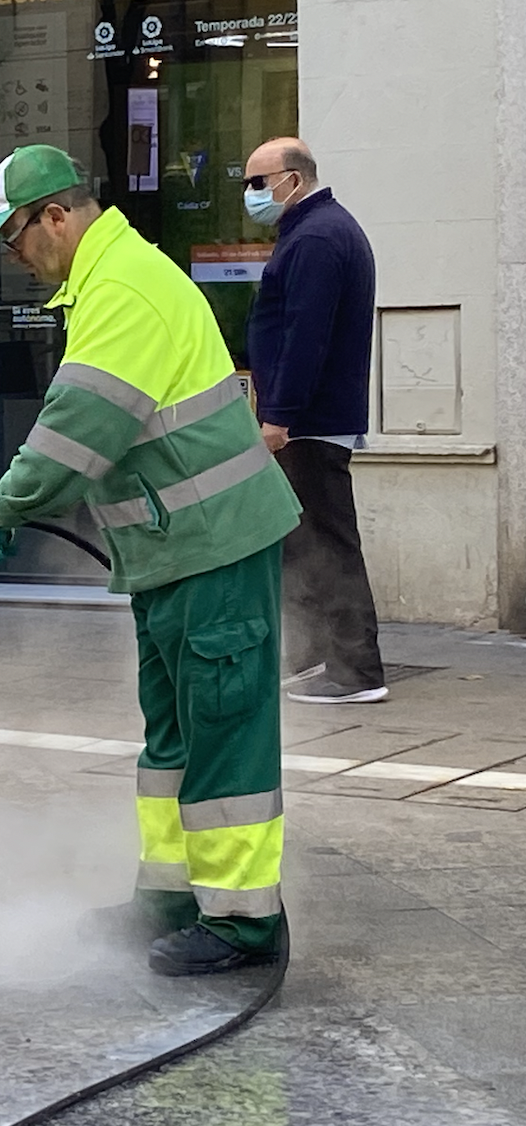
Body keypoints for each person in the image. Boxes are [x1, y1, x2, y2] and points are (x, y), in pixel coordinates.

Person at [0, 145, 301, 976]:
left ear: (55, 216)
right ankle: (171, 896)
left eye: (14, 238)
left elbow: (79, 425)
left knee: (223, 734)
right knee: (174, 736)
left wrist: (3, 506)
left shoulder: (122, 288)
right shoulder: (106, 281)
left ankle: (243, 925)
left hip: (214, 545)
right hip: (170, 551)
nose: (14, 257)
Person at [243, 138, 388, 705]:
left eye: (259, 184)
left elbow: (306, 335)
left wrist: (279, 416)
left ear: (293, 180)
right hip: (311, 417)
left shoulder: (318, 237)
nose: (251, 196)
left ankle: (356, 673)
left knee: (327, 544)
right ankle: (309, 657)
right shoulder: (316, 231)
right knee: (302, 543)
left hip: (309, 421)